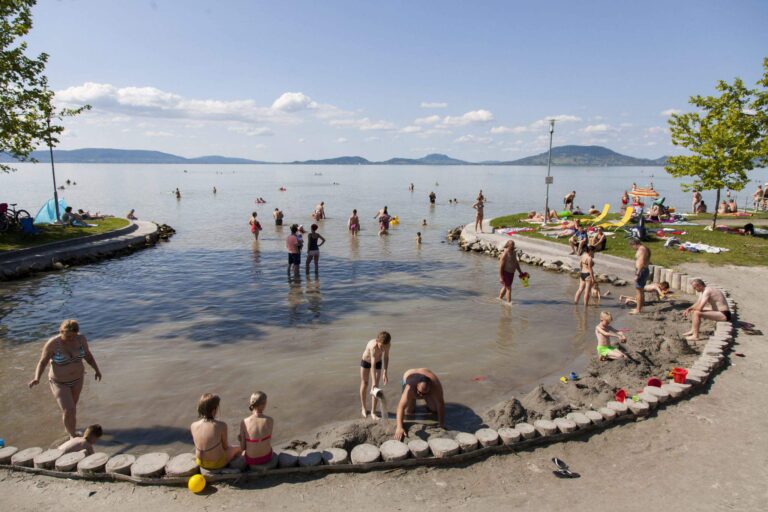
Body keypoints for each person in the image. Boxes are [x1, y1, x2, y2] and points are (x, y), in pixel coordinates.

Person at [28, 320, 102, 439]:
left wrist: (96, 370)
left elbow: (88, 356)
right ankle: (72, 436)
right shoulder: (53, 343)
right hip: (59, 382)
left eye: (73, 336)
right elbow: (42, 362)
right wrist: (37, 378)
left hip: (78, 379)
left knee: (72, 408)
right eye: (68, 336)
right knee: (69, 409)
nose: (71, 339)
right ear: (61, 332)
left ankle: (69, 428)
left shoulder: (81, 339)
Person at [191, 393, 241, 470]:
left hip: (200, 461)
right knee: (238, 448)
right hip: (217, 464)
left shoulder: (193, 425)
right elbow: (225, 447)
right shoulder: (221, 425)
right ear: (214, 410)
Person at [394, 368, 445, 441]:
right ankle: (415, 399)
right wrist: (399, 427)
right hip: (409, 374)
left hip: (426, 377)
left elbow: (440, 404)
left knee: (434, 409)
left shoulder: (435, 386)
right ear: (417, 386)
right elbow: (401, 407)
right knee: (408, 412)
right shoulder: (409, 387)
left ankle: (427, 399)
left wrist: (441, 424)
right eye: (420, 392)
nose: (421, 396)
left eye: (424, 394)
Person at [359, 332, 392, 419]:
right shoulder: (373, 347)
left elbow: (386, 357)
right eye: (381, 346)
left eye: (385, 347)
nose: (383, 349)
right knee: (365, 383)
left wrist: (385, 372)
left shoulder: (388, 345)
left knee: (376, 387)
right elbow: (372, 366)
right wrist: (373, 381)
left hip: (378, 362)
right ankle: (363, 408)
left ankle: (373, 412)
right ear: (377, 341)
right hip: (366, 361)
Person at [239, 391, 274, 467]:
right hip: (266, 457)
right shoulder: (270, 420)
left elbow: (243, 448)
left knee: (241, 452)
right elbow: (268, 441)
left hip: (251, 459)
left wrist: (240, 439)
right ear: (264, 404)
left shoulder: (244, 422)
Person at [628, 238, 651, 314]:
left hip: (641, 271)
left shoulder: (641, 250)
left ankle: (638, 310)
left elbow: (641, 262)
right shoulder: (645, 248)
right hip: (644, 270)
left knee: (638, 291)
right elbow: (647, 260)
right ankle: (640, 307)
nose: (633, 248)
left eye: (632, 246)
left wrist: (637, 274)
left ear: (634, 244)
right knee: (641, 290)